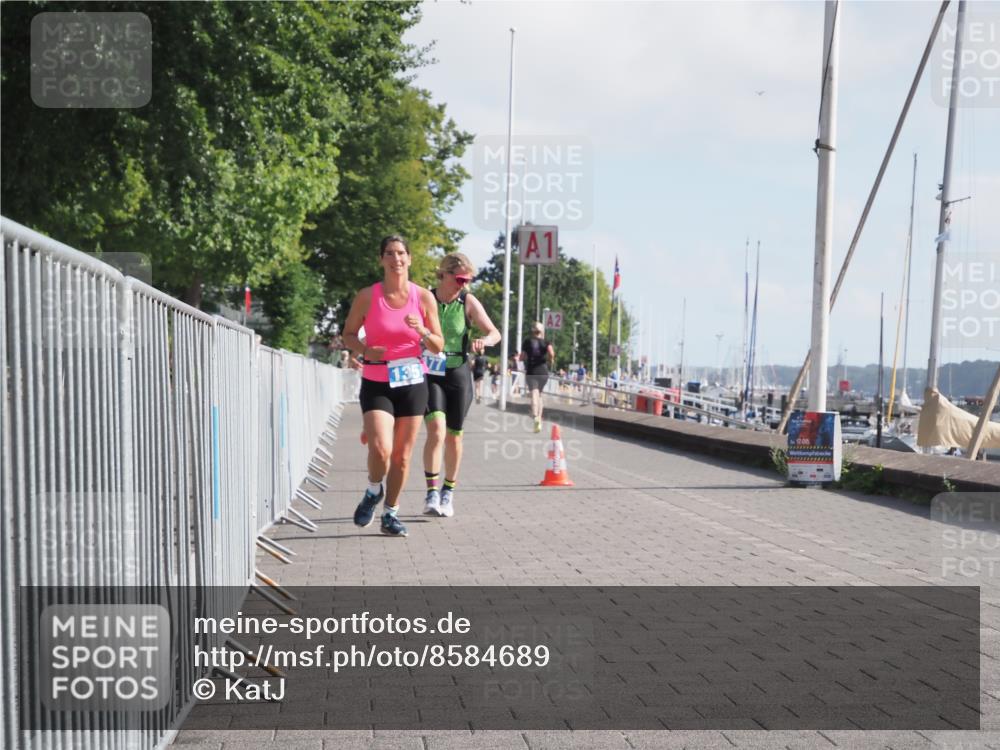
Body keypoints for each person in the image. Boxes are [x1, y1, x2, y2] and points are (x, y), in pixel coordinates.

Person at [342, 235, 443, 538]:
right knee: (380, 448)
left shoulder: (423, 297)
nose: (396, 259)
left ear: (409, 258)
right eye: (389, 253)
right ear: (381, 259)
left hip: (412, 382)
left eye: (401, 253)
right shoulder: (367, 296)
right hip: (377, 381)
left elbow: (438, 345)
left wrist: (422, 330)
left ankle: (390, 513)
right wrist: (364, 350)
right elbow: (348, 335)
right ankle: (374, 490)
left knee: (402, 456)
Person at [421, 253, 500, 518]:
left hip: (458, 373)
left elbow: (495, 333)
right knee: (436, 430)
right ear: (444, 274)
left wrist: (483, 341)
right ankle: (431, 492)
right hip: (431, 372)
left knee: (454, 435)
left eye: (467, 280)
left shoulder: (467, 301)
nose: (463, 285)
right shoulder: (426, 298)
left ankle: (448, 491)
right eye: (459, 279)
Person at [518, 321, 555, 433]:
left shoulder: (527, 342)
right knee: (539, 394)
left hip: (532, 371)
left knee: (534, 393)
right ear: (541, 331)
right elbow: (551, 353)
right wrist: (550, 359)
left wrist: (523, 358)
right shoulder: (546, 342)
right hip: (543, 371)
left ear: (532, 331)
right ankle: (540, 416)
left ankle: (535, 416)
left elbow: (522, 357)